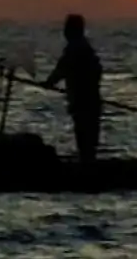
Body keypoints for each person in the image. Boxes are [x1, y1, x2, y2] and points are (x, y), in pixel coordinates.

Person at [39, 12, 104, 162]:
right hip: (91, 99)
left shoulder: (75, 49)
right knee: (90, 138)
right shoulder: (85, 48)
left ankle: (87, 168)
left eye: (67, 28)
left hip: (83, 101)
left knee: (84, 136)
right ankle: (89, 164)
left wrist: (49, 83)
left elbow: (62, 69)